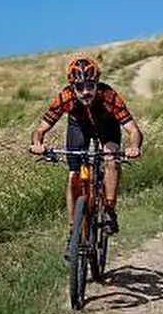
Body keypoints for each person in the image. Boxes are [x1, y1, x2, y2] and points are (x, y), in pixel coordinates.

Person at [29, 55, 143, 255]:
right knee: (73, 175)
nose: (85, 92)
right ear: (72, 87)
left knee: (110, 158)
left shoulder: (109, 96)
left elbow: (133, 130)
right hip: (79, 127)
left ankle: (109, 209)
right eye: (79, 87)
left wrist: (134, 147)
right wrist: (37, 144)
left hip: (107, 127)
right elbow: (40, 129)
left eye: (90, 86)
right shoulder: (65, 97)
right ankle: (73, 232)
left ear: (97, 84)